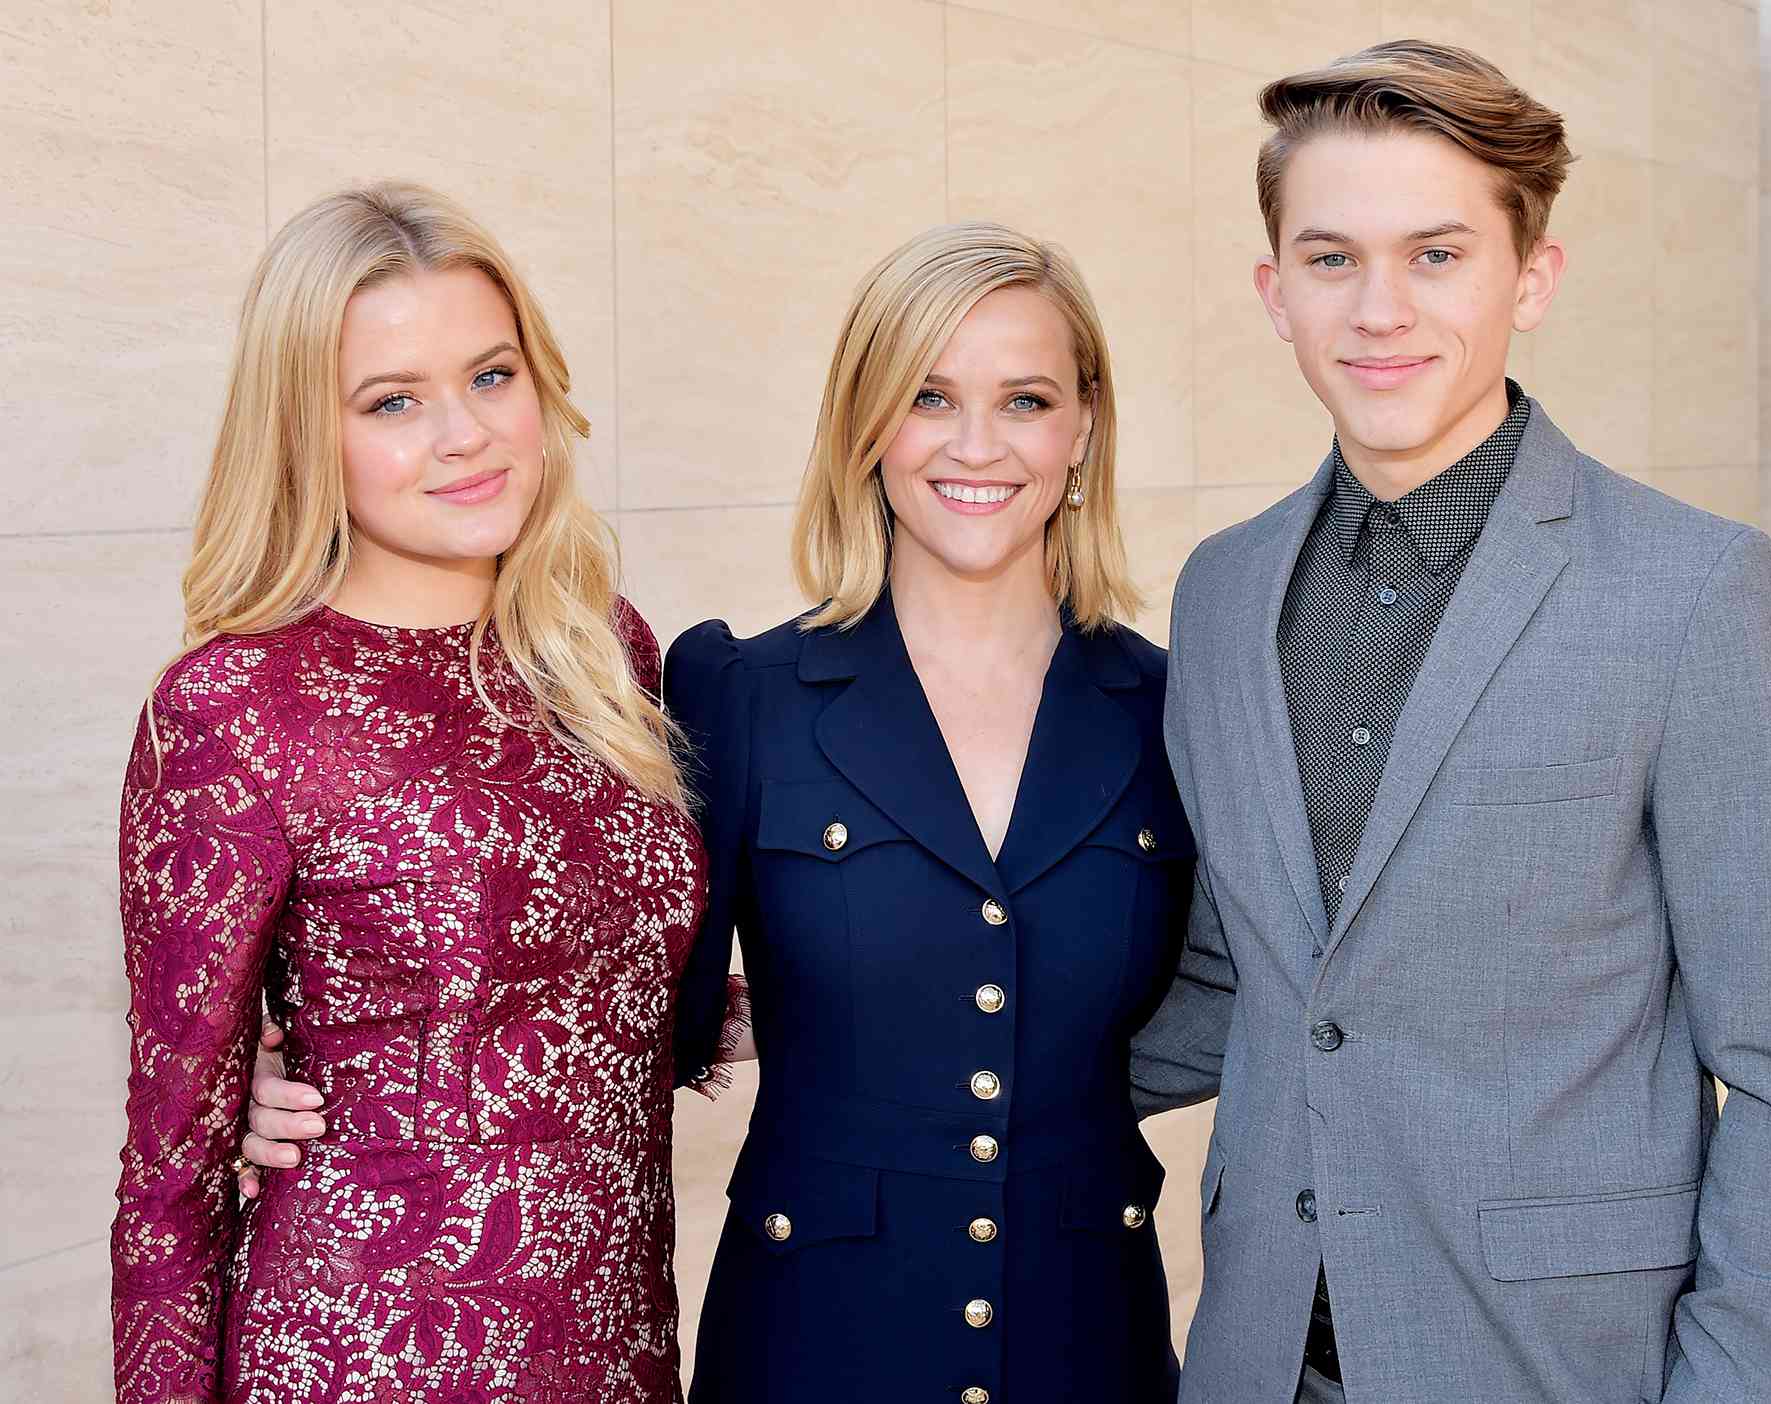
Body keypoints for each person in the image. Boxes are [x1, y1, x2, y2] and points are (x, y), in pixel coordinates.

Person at [238, 221, 1192, 1403]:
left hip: (1086, 1334)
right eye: (929, 397)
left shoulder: (1175, 705)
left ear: (1083, 424)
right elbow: (627, 993)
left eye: (1027, 400)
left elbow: (1264, 978)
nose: (978, 445)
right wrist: (290, 1076)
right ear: (864, 425)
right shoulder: (736, 693)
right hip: (816, 1343)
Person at [1130, 41, 1771, 1404]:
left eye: (1437, 255)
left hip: (1554, 1367)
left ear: (1531, 278)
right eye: (1330, 258)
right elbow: (1242, 978)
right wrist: (906, 1022)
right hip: (1252, 1357)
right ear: (1272, 291)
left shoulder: (1696, 591)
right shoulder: (1223, 592)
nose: (1379, 310)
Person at [111, 182, 740, 1404]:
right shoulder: (234, 705)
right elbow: (166, 1182)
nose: (466, 433)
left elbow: (605, 1006)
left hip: (615, 1354)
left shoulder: (604, 653)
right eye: (393, 401)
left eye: (491, 376)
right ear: (307, 433)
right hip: (358, 1356)